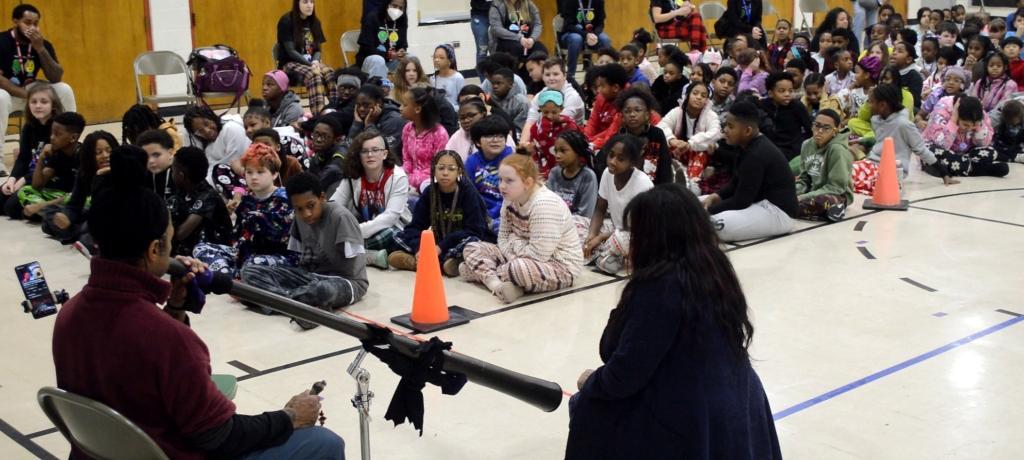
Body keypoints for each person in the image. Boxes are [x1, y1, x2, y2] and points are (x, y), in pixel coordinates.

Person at [53, 147, 345, 459]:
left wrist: (175, 308)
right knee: (324, 443)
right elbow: (220, 436)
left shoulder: (68, 317)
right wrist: (288, 417)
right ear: (155, 250)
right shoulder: (168, 339)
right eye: (169, 238)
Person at [566, 184, 781, 459]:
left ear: (654, 237)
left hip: (689, 416)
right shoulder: (714, 268)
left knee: (587, 407)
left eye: (635, 233)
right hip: (740, 399)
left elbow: (623, 370)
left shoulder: (659, 287)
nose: (631, 241)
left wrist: (592, 382)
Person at [242, 172, 369, 330]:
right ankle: (305, 307)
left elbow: (353, 268)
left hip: (346, 282)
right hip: (310, 277)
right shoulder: (299, 218)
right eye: (299, 209)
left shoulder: (341, 217)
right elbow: (303, 260)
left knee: (322, 290)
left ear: (322, 198)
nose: (306, 214)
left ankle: (271, 300)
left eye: (311, 206)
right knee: (249, 272)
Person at [459, 154, 583, 303]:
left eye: (509, 181)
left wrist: (513, 245)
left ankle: (484, 273)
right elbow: (503, 237)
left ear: (528, 182)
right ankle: (498, 285)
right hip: (518, 256)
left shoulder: (544, 204)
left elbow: (539, 255)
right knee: (471, 248)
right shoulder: (509, 198)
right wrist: (511, 252)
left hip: (559, 265)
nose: (502, 186)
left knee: (518, 268)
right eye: (500, 179)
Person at [193, 143, 295, 277]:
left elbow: (282, 238)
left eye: (260, 172)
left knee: (251, 263)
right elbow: (237, 235)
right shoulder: (247, 200)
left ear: (274, 174)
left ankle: (233, 278)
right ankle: (230, 278)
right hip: (245, 253)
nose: (253, 177)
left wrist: (258, 218)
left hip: (275, 256)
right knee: (201, 248)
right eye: (249, 172)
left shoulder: (285, 199)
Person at [702, 101, 797, 242]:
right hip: (758, 203)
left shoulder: (756, 153)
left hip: (778, 212)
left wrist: (705, 212)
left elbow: (741, 201)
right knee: (695, 202)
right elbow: (735, 183)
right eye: (725, 125)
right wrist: (716, 196)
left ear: (747, 131)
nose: (725, 130)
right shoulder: (746, 145)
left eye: (730, 126)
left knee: (711, 225)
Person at [387, 150, 493, 275]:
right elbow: (415, 227)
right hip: (436, 243)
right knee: (397, 236)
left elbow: (476, 230)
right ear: (434, 170)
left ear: (459, 171)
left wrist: (441, 247)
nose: (445, 173)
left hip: (458, 242)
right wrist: (419, 249)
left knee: (472, 242)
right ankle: (439, 263)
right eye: (441, 168)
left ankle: (424, 263)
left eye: (451, 169)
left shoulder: (468, 192)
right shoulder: (429, 192)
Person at [0, 4, 77, 158]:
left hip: (32, 90)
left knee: (64, 89)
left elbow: (56, 77)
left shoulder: (42, 43)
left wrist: (40, 49)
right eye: (27, 23)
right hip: (9, 92)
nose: (32, 28)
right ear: (15, 21)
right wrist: (28, 96)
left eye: (36, 24)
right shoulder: (2, 41)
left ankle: (70, 148)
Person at [851, 84, 954, 195]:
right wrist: (863, 141)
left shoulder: (904, 124)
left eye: (870, 102)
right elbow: (880, 141)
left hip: (892, 170)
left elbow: (921, 150)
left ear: (882, 105)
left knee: (850, 176)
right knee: (844, 170)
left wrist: (944, 173)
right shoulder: (876, 120)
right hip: (872, 163)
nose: (868, 105)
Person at [329, 130, 410, 269]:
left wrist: (353, 232)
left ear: (384, 154)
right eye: (364, 151)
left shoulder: (398, 177)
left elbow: (390, 218)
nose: (370, 155)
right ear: (358, 155)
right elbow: (334, 205)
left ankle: (349, 253)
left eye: (375, 150)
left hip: (392, 227)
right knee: (332, 229)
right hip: (362, 228)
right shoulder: (353, 175)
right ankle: (370, 256)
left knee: (390, 235)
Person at [584, 134, 653, 275]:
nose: (612, 162)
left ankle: (610, 256)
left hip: (640, 236)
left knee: (619, 240)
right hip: (616, 230)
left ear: (632, 162)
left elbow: (640, 229)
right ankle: (608, 255)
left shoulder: (643, 184)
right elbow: (599, 210)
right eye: (611, 155)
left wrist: (602, 237)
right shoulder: (607, 174)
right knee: (577, 223)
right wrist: (591, 236)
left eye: (620, 159)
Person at [39, 130, 116, 243]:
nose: (105, 156)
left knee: (88, 230)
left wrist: (100, 177)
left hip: (113, 218)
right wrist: (67, 218)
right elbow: (75, 204)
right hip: (92, 214)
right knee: (50, 211)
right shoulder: (85, 172)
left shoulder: (122, 169)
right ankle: (75, 233)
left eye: (109, 151)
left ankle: (73, 233)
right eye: (98, 152)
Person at [0, 81, 60, 216]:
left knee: (12, 207)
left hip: (47, 180)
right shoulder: (29, 127)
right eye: (33, 102)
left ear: (53, 105)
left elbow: (51, 166)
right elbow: (23, 158)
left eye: (44, 102)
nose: (38, 106)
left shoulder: (57, 129)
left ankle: (49, 209)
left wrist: (23, 181)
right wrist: (12, 179)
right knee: (3, 195)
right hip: (28, 176)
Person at [17, 111, 84, 221]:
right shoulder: (57, 153)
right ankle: (56, 215)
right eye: (51, 133)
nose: (52, 138)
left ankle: (50, 214)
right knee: (25, 191)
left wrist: (41, 206)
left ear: (73, 137)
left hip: (80, 198)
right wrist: (42, 158)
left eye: (57, 134)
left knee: (83, 200)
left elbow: (77, 195)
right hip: (61, 196)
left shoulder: (83, 156)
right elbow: (37, 186)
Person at [167, 147, 232, 257]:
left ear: (181, 175)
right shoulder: (181, 192)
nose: (171, 173)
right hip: (187, 252)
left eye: (173, 170)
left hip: (212, 253)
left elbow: (181, 233)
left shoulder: (208, 196)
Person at [922, 95, 1009, 178]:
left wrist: (979, 126)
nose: (969, 128)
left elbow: (983, 144)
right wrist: (953, 120)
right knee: (932, 153)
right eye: (965, 125)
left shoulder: (980, 114)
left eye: (973, 125)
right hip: (943, 150)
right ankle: (981, 169)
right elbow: (942, 145)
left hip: (965, 154)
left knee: (990, 151)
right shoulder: (942, 111)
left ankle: (955, 168)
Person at [659, 82, 722, 192]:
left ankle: (693, 184)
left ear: (707, 100)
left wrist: (690, 144)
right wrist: (672, 140)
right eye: (695, 93)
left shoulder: (711, 116)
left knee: (701, 153)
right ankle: (669, 175)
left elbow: (715, 133)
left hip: (698, 153)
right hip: (679, 150)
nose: (699, 97)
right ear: (687, 95)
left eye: (703, 96)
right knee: (662, 147)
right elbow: (661, 126)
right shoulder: (677, 112)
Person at [792, 109, 852, 222]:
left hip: (836, 195)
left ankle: (834, 209)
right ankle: (824, 213)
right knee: (783, 196)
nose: (819, 131)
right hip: (812, 191)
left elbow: (836, 187)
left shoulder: (837, 149)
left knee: (818, 202)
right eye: (817, 125)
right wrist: (795, 192)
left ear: (835, 131)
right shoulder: (806, 145)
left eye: (826, 128)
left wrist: (803, 197)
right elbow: (804, 179)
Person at [276, 0, 335, 114]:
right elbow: (291, 51)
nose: (309, 5)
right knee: (314, 74)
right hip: (289, 64)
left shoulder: (315, 22)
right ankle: (318, 115)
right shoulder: (286, 21)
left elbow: (318, 49)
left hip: (310, 63)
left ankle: (335, 109)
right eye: (305, 2)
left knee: (329, 72)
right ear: (297, 4)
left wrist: (315, 61)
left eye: (312, 2)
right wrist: (311, 65)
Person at [603, 87, 671, 184]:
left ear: (647, 114)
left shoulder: (657, 134)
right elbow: (605, 163)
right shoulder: (619, 138)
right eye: (627, 111)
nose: (632, 114)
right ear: (622, 117)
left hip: (654, 188)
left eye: (637, 110)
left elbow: (665, 167)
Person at [182, 105, 251, 188]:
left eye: (207, 123)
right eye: (200, 131)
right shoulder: (208, 146)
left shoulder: (231, 128)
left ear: (212, 117)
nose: (207, 131)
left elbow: (232, 163)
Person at [466, 115, 514, 226]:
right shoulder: (472, 161)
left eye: (500, 136)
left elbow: (511, 198)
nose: (495, 140)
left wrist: (491, 214)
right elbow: (468, 191)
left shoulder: (511, 160)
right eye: (489, 136)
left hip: (506, 212)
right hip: (479, 210)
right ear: (478, 142)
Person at [401, 86, 450, 193]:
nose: (400, 108)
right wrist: (403, 174)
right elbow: (407, 159)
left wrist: (412, 179)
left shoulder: (439, 133)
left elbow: (440, 166)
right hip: (410, 179)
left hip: (431, 181)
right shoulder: (407, 129)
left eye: (404, 105)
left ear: (417, 109)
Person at [526, 90, 579, 178]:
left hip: (567, 167)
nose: (550, 116)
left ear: (561, 109)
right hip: (544, 169)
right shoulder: (536, 128)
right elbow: (535, 152)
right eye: (545, 112)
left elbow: (576, 150)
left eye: (554, 112)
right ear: (540, 109)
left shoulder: (570, 125)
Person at [760, 71, 812, 161]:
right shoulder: (763, 105)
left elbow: (809, 129)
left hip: (791, 150)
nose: (787, 94)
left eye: (790, 90)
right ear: (770, 93)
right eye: (782, 91)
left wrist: (800, 145)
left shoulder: (797, 106)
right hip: (769, 147)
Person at [546, 130, 597, 218]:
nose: (557, 155)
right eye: (556, 151)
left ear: (577, 152)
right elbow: (548, 204)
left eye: (563, 150)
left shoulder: (588, 177)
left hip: (578, 225)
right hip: (554, 220)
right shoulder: (554, 173)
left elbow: (586, 214)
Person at [446, 97, 514, 160]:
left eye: (471, 115)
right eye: (462, 118)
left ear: (484, 114)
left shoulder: (500, 134)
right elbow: (446, 157)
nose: (466, 120)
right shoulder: (457, 136)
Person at [557, 0, 611, 79]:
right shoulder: (569, 1)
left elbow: (600, 24)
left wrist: (594, 35)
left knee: (605, 39)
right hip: (571, 34)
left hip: (592, 34)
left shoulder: (599, 1)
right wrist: (586, 35)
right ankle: (570, 75)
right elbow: (568, 26)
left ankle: (605, 74)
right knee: (576, 39)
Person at [348, 83, 406, 157]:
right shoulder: (365, 117)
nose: (361, 109)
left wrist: (369, 125)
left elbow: (383, 155)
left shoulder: (394, 120)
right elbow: (349, 148)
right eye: (358, 105)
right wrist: (357, 125)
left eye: (366, 105)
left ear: (379, 103)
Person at [357, 0, 408, 77]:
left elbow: (403, 44)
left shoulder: (402, 19)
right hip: (371, 60)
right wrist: (388, 55)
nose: (397, 10)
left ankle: (405, 88)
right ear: (387, 4)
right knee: (378, 60)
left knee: (412, 58)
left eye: (401, 8)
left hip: (392, 61)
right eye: (394, 6)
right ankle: (378, 88)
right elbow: (367, 49)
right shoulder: (372, 17)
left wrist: (402, 51)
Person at [306, 114, 351, 197]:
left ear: (336, 140)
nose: (318, 140)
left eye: (324, 136)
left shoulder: (340, 157)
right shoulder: (318, 155)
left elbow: (316, 190)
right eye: (316, 134)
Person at [139, 129, 177, 203]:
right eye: (145, 156)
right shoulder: (142, 176)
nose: (151, 161)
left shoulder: (182, 176)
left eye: (156, 155)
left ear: (170, 152)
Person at [488, 67, 529, 131]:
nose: (495, 86)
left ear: (510, 84)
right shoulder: (489, 100)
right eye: (493, 83)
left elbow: (520, 127)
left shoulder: (521, 102)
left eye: (499, 83)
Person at [650, 51, 688, 117]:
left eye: (671, 73)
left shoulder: (684, 84)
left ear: (679, 75)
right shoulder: (660, 80)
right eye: (665, 72)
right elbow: (652, 95)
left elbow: (674, 103)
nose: (667, 75)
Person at [430, 44, 465, 110]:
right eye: (435, 57)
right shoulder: (432, 79)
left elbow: (463, 102)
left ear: (450, 60)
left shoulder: (458, 78)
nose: (436, 60)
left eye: (441, 57)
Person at [470, 0, 494, 64]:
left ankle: (497, 73)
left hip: (496, 15)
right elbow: (479, 4)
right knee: (482, 51)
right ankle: (482, 73)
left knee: (497, 50)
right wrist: (496, 3)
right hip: (480, 16)